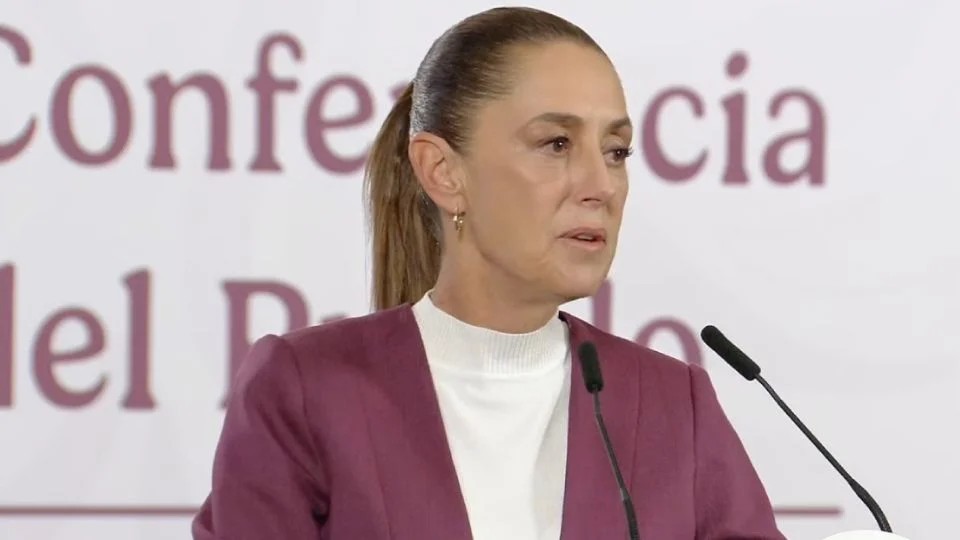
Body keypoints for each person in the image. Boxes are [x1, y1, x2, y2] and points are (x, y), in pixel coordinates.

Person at [192, 6, 785, 539]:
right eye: (556, 143)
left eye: (616, 152)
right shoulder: (304, 390)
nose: (601, 185)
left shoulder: (673, 404)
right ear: (443, 172)